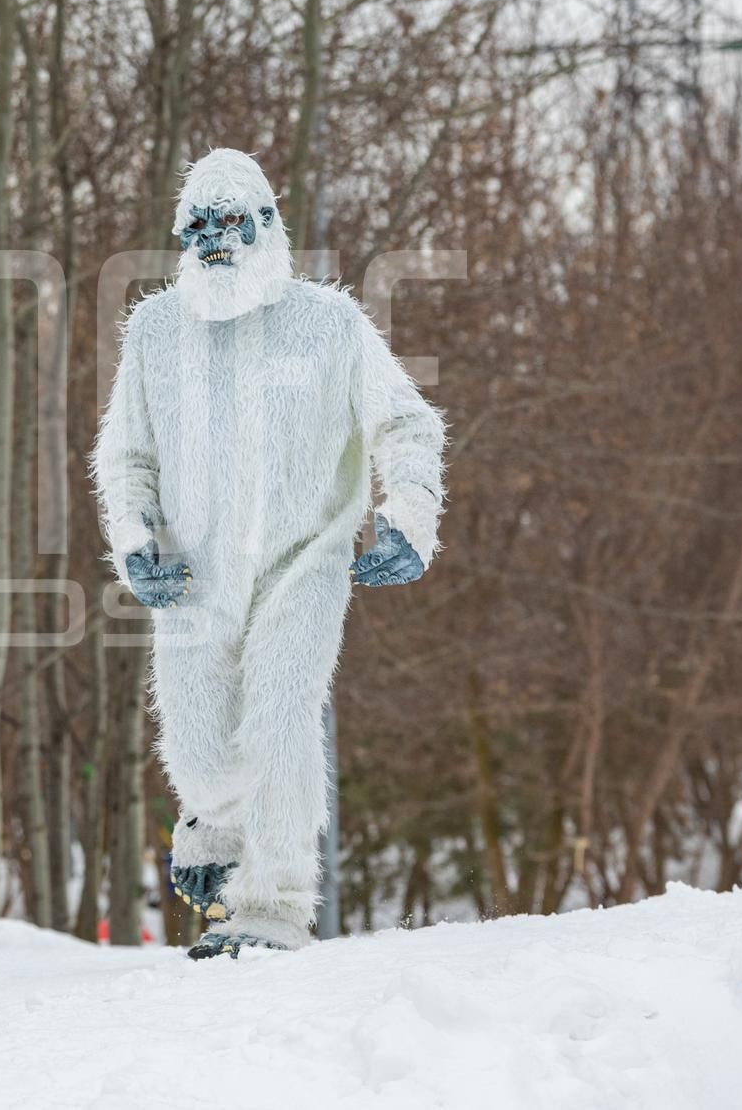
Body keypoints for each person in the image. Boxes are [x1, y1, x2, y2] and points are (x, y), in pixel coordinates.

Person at [91, 147, 446, 959]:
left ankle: (273, 906)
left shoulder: (330, 324)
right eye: (199, 226)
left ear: (266, 224)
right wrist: (136, 537)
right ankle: (214, 823)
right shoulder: (154, 331)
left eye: (230, 224)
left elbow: (408, 424)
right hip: (192, 573)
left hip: (304, 560)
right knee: (198, 750)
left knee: (282, 717)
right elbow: (126, 455)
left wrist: (409, 516)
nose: (216, 241)